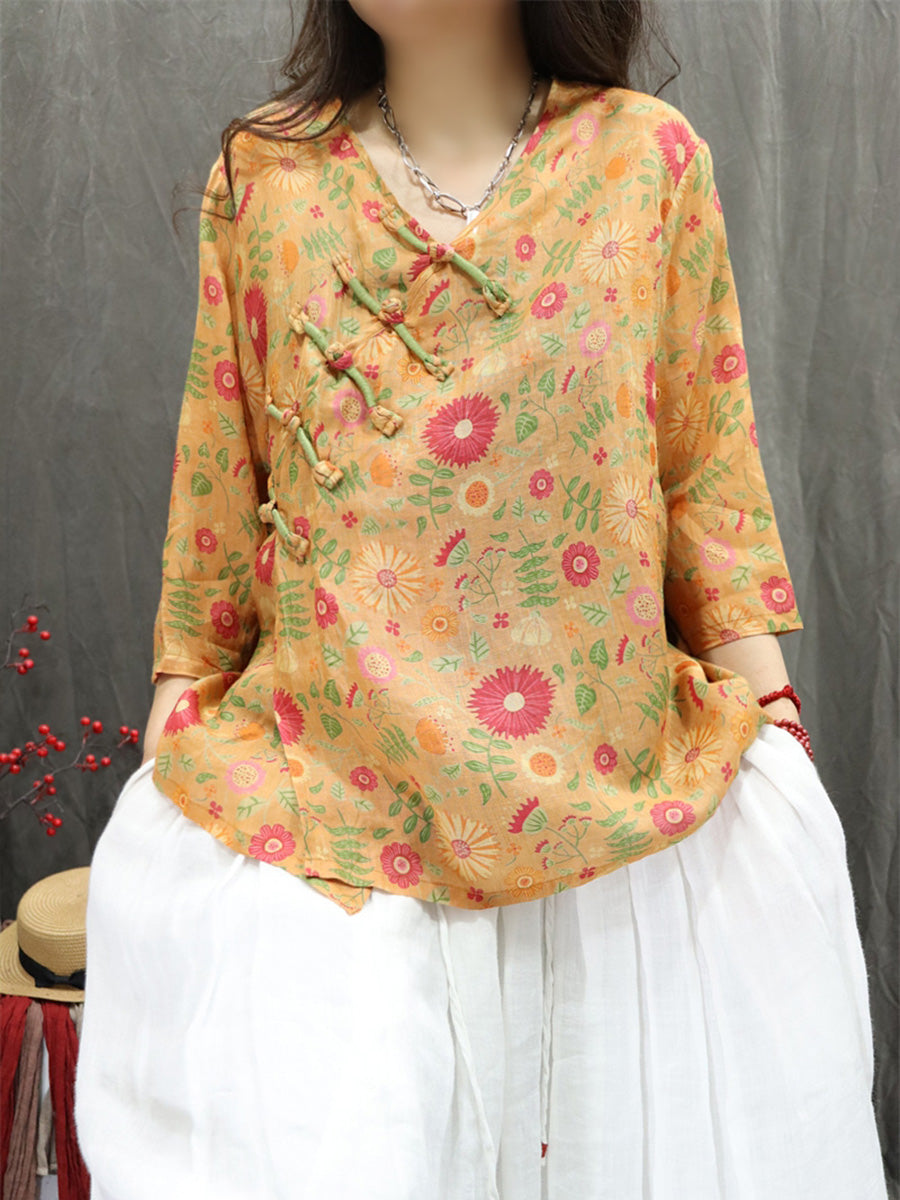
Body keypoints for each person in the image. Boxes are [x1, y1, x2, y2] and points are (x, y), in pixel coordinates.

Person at [73, 1, 888, 1197]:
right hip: (334, 809)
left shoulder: (646, 161)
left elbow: (703, 461)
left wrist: (772, 707)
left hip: (611, 805)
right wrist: (182, 683)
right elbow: (221, 458)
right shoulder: (267, 177)